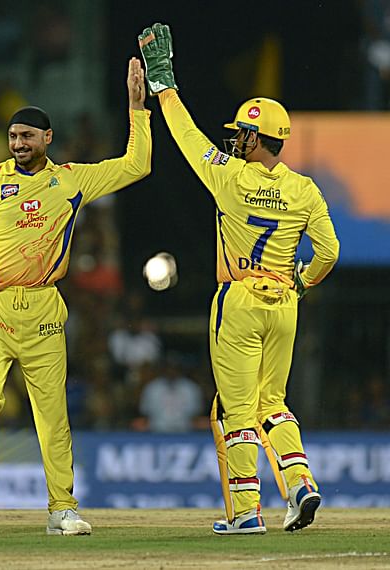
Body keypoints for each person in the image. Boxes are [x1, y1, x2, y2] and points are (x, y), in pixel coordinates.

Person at [138, 24, 340, 534]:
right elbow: (330, 252)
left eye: (241, 133)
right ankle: (300, 484)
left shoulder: (228, 176)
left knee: (236, 408)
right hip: (285, 304)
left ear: (256, 137)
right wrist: (303, 279)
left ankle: (247, 512)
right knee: (274, 403)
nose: (235, 138)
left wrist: (164, 83)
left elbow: (185, 135)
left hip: (239, 299)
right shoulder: (305, 190)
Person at [0, 58, 152, 535]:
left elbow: (137, 165)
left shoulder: (71, 180)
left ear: (47, 139)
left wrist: (136, 107)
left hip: (43, 310)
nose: (18, 145)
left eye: (27, 137)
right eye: (13, 137)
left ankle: (62, 509)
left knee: (53, 413)